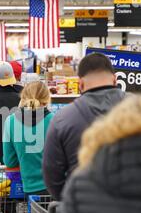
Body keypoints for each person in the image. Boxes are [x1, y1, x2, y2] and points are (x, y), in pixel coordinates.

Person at [42, 53, 125, 201]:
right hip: (135, 212)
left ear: (80, 84)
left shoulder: (62, 119)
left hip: (85, 210)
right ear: (115, 79)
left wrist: (70, 202)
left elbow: (52, 173)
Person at [3, 82, 53, 196]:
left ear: (23, 97)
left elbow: (10, 162)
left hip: (28, 187)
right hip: (54, 188)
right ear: (47, 99)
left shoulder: (10, 121)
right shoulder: (55, 120)